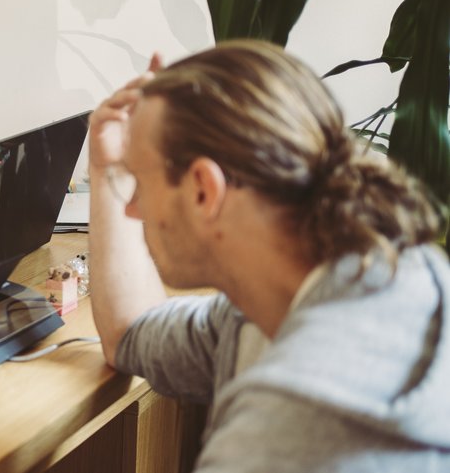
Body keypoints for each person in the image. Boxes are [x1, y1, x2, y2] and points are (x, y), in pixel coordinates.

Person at [88, 40, 449, 471]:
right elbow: (129, 334)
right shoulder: (384, 273)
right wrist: (106, 167)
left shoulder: (284, 436)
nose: (132, 208)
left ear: (204, 189)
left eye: (140, 184)